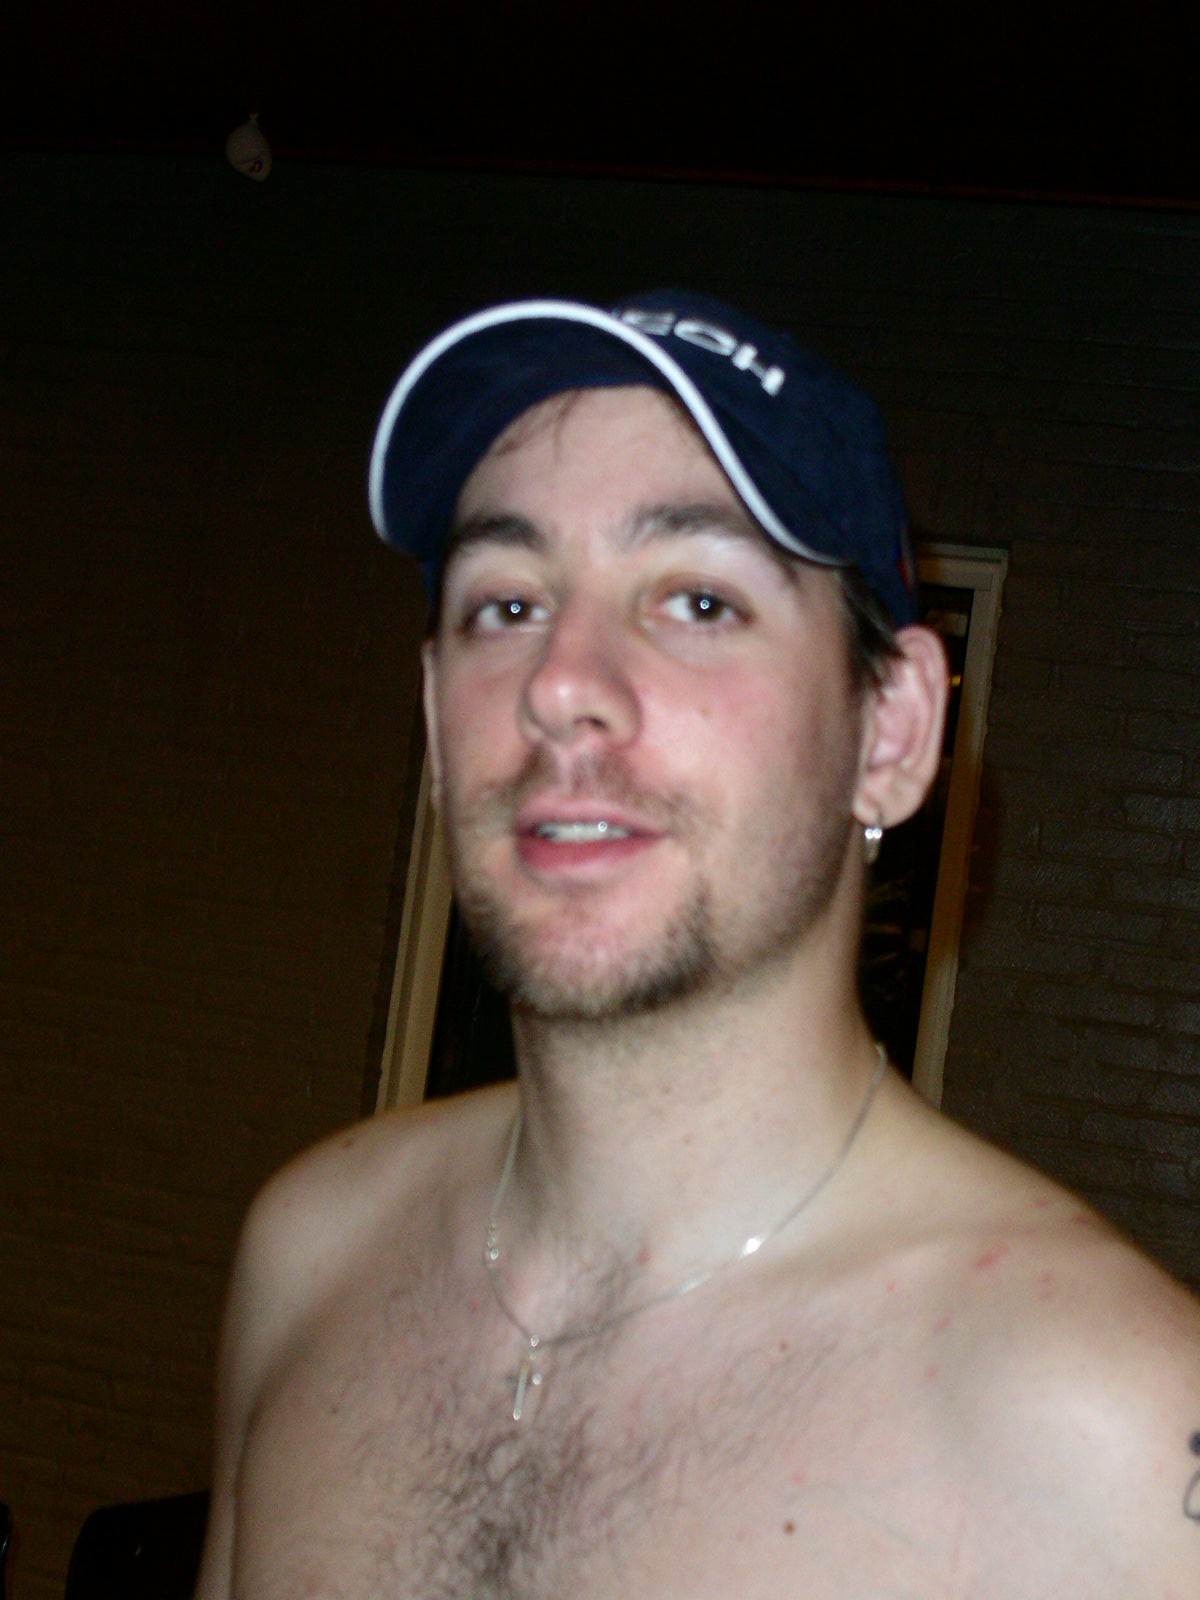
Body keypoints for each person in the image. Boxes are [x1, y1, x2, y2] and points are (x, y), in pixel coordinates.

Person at [196, 290, 1200, 1599]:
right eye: (506, 604)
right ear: (438, 721)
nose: (560, 683)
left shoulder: (1110, 1429)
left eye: (698, 601)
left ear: (890, 732)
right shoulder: (309, 1257)